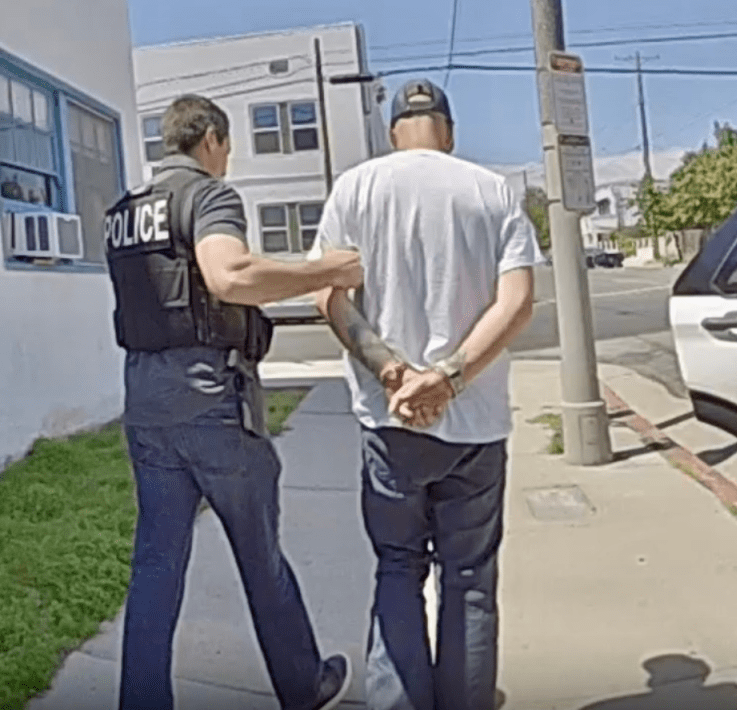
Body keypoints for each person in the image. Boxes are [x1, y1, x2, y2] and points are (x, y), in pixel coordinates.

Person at [104, 94, 360, 710]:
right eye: (228, 147)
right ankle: (302, 685)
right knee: (259, 554)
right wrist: (323, 272)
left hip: (144, 397)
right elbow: (229, 276)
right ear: (212, 141)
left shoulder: (124, 211)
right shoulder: (208, 194)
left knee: (157, 565)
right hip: (210, 399)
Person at [308, 77, 540, 710]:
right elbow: (517, 301)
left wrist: (391, 371)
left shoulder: (355, 188)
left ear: (392, 134)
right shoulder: (491, 191)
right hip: (477, 421)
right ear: (450, 131)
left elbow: (330, 294)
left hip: (390, 422)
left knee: (397, 569)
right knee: (468, 581)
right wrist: (450, 377)